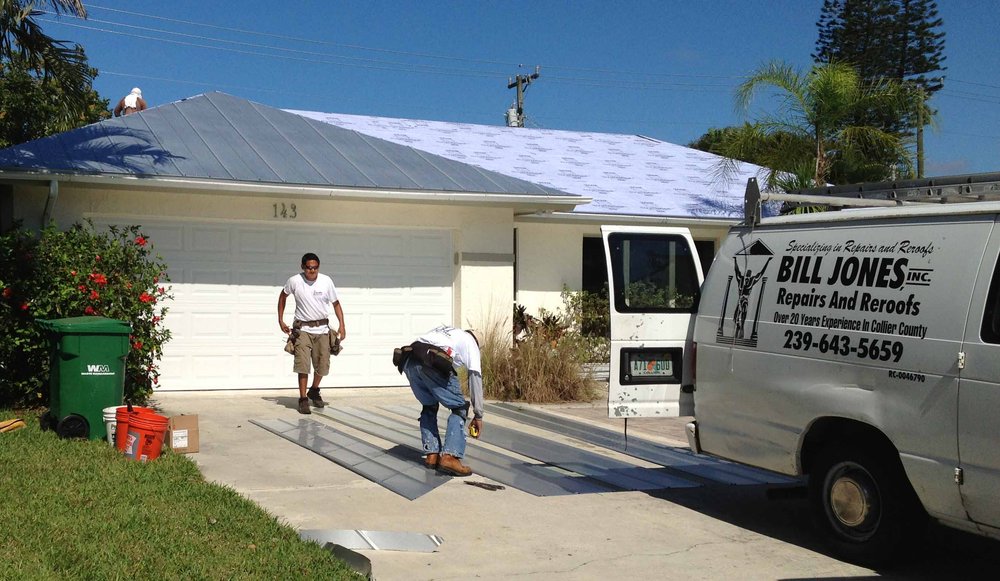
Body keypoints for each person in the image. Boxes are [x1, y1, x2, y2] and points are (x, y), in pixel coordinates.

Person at [400, 325, 484, 477]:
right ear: (477, 343)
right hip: (431, 362)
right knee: (459, 407)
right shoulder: (471, 343)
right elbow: (475, 378)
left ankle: (432, 455)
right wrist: (478, 415)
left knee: (429, 404)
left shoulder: (450, 333)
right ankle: (450, 456)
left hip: (409, 361)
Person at [277, 253, 346, 414]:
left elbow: (336, 303)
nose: (312, 271)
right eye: (309, 268)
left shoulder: (326, 281)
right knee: (303, 365)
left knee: (323, 367)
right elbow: (283, 296)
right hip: (302, 330)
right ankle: (302, 399)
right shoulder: (294, 281)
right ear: (303, 267)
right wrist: (280, 319)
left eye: (315, 268)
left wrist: (342, 324)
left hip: (322, 330)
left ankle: (314, 390)